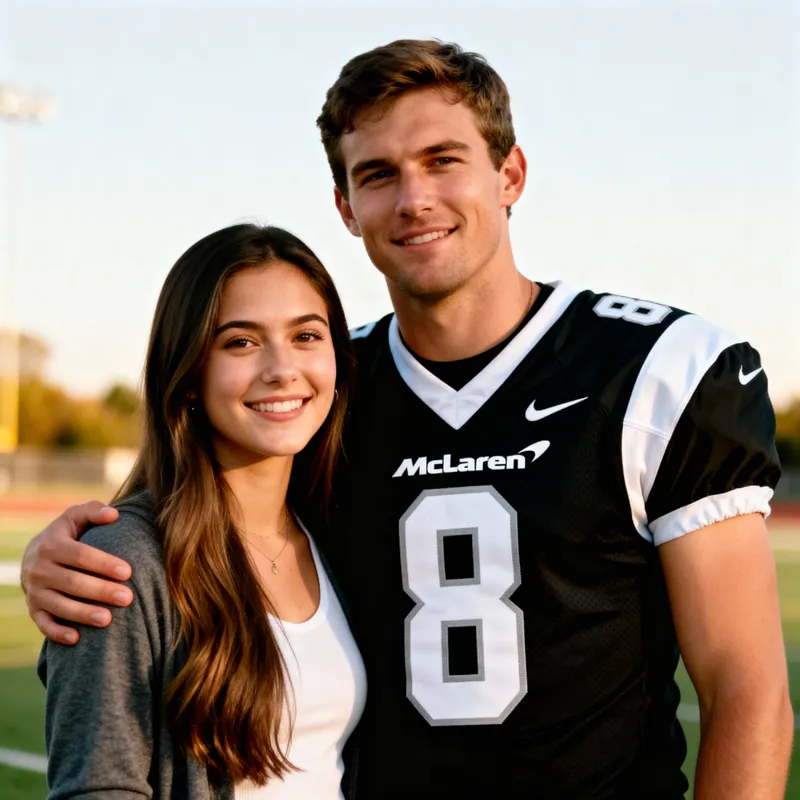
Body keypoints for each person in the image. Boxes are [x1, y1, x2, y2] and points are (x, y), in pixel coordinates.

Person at [23, 41, 792, 799]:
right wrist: (64, 559)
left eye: (442, 160)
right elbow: (197, 512)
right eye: (378, 174)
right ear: (346, 208)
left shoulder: (655, 369)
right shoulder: (328, 390)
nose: (414, 198)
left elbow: (745, 689)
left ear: (511, 175)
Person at [36, 224, 365, 799]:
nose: (282, 368)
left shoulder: (335, 529)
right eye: (241, 342)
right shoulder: (124, 563)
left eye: (307, 335)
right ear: (188, 374)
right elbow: (99, 788)